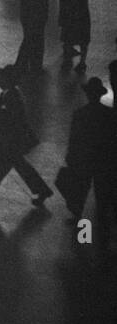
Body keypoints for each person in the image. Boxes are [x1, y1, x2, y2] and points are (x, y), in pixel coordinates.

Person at [0, 66, 52, 209]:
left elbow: (12, 121)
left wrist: (4, 141)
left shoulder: (10, 96)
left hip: (9, 142)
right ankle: (42, 190)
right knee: (21, 167)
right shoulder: (9, 93)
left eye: (1, 77)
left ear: (8, 80)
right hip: (10, 142)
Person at [61, 79, 116, 235]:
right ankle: (102, 222)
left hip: (84, 158)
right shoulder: (110, 114)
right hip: (103, 160)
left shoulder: (80, 114)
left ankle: (79, 221)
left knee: (81, 188)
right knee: (102, 192)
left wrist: (71, 156)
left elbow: (74, 138)